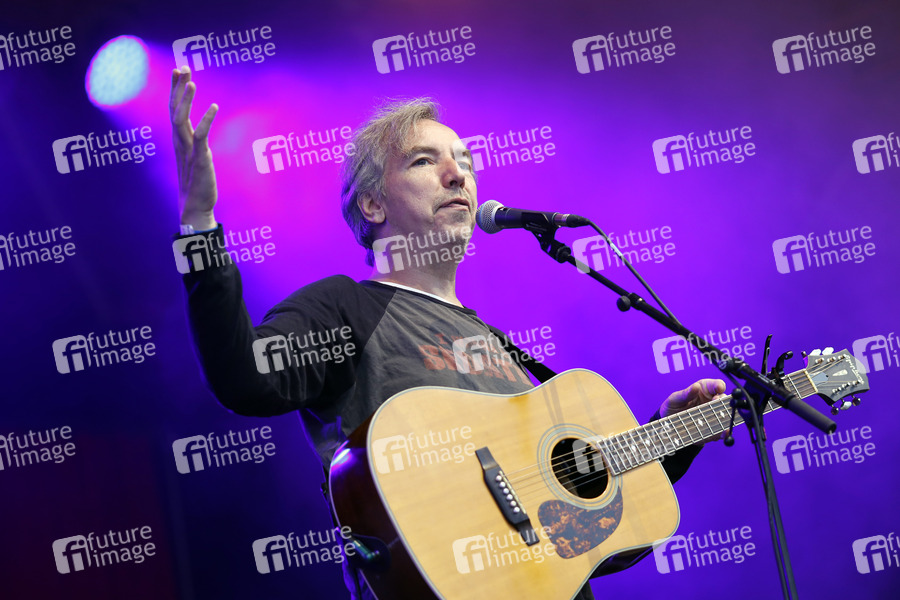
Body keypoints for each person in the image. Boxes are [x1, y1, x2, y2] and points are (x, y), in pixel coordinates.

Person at [169, 65, 726, 600]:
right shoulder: (345, 307)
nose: (458, 175)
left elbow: (585, 528)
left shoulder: (501, 348)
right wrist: (199, 225)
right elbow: (243, 378)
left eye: (464, 162)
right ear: (372, 203)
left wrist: (672, 435)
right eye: (423, 161)